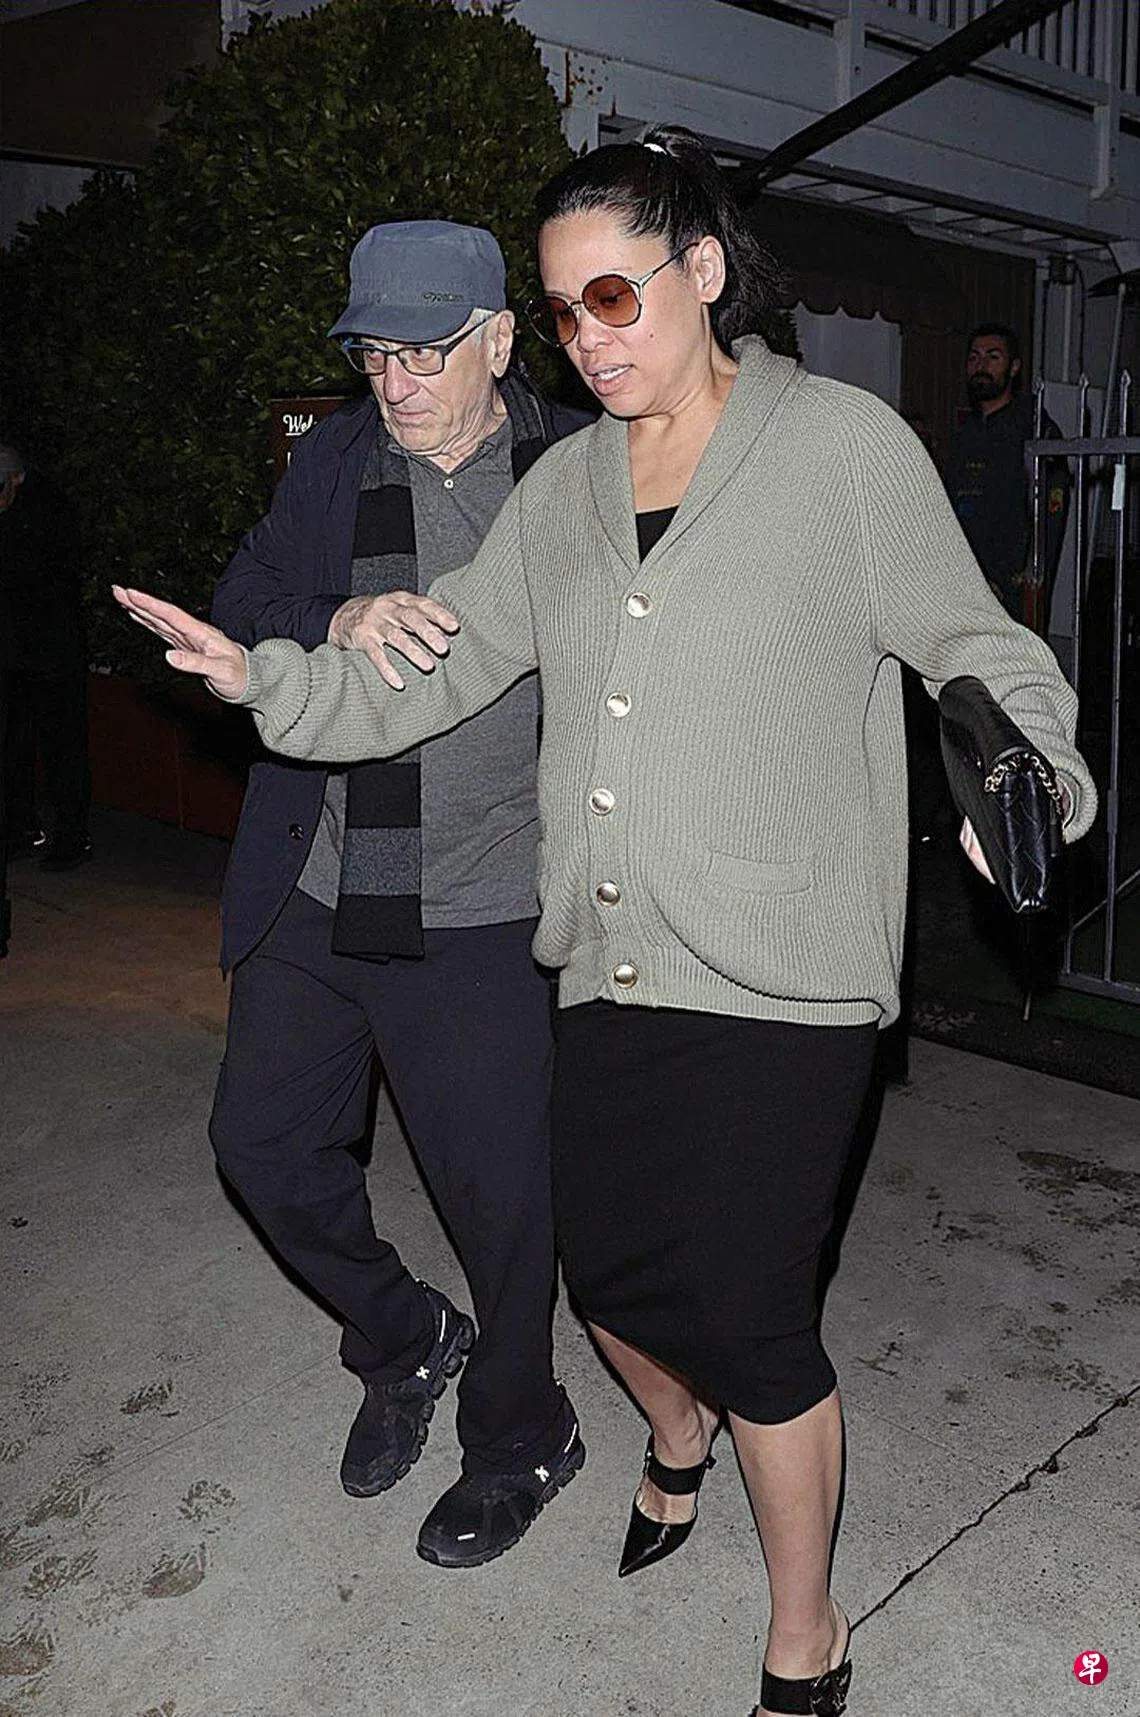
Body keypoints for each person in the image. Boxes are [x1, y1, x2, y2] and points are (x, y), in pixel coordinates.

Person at [116, 129, 1095, 1717]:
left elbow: (977, 645)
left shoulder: (840, 449)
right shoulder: (567, 488)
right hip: (610, 955)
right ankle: (673, 1432)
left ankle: (805, 1634)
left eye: (616, 298)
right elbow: (434, 670)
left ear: (702, 272)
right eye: (569, 311)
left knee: (754, 1319)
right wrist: (263, 678)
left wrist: (1030, 766)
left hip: (787, 969)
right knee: (617, 1289)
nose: (591, 337)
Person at [197, 221, 589, 1570]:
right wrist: (334, 618)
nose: (395, 382)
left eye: (425, 353)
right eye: (373, 353)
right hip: (321, 880)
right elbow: (248, 588)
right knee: (261, 1148)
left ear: (500, 340)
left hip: (482, 903)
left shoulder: (575, 474)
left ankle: (523, 1432)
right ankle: (406, 1336)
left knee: (500, 1202)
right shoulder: (337, 457)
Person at [0, 441, 92, 871]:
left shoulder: (49, 510)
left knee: (62, 749)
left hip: (51, 652)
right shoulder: (24, 506)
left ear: (16, 479)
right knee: (15, 747)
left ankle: (71, 838)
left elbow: (48, 576)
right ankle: (23, 830)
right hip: (18, 651)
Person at [943, 323, 1070, 629]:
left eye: (993, 357)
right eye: (974, 357)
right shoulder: (964, 435)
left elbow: (1052, 507)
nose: (981, 366)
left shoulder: (1034, 428)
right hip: (965, 582)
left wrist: (1025, 575)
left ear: (1013, 368)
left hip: (1013, 587)